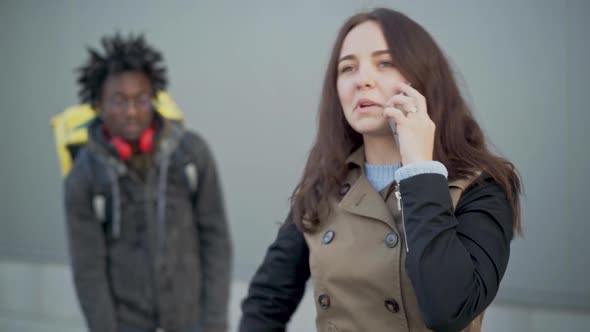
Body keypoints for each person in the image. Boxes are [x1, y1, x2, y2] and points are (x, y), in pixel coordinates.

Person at [239, 8, 521, 332]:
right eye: (348, 68)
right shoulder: (324, 185)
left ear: (423, 77)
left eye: (385, 62)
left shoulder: (479, 186)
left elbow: (448, 309)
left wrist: (420, 168)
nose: (363, 80)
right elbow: (266, 301)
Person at [64, 33, 232, 332]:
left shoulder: (191, 154)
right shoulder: (84, 177)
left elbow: (216, 241)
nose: (131, 111)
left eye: (141, 99)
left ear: (154, 98)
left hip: (192, 319)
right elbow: (88, 269)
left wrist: (216, 321)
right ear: (99, 105)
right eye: (118, 100)